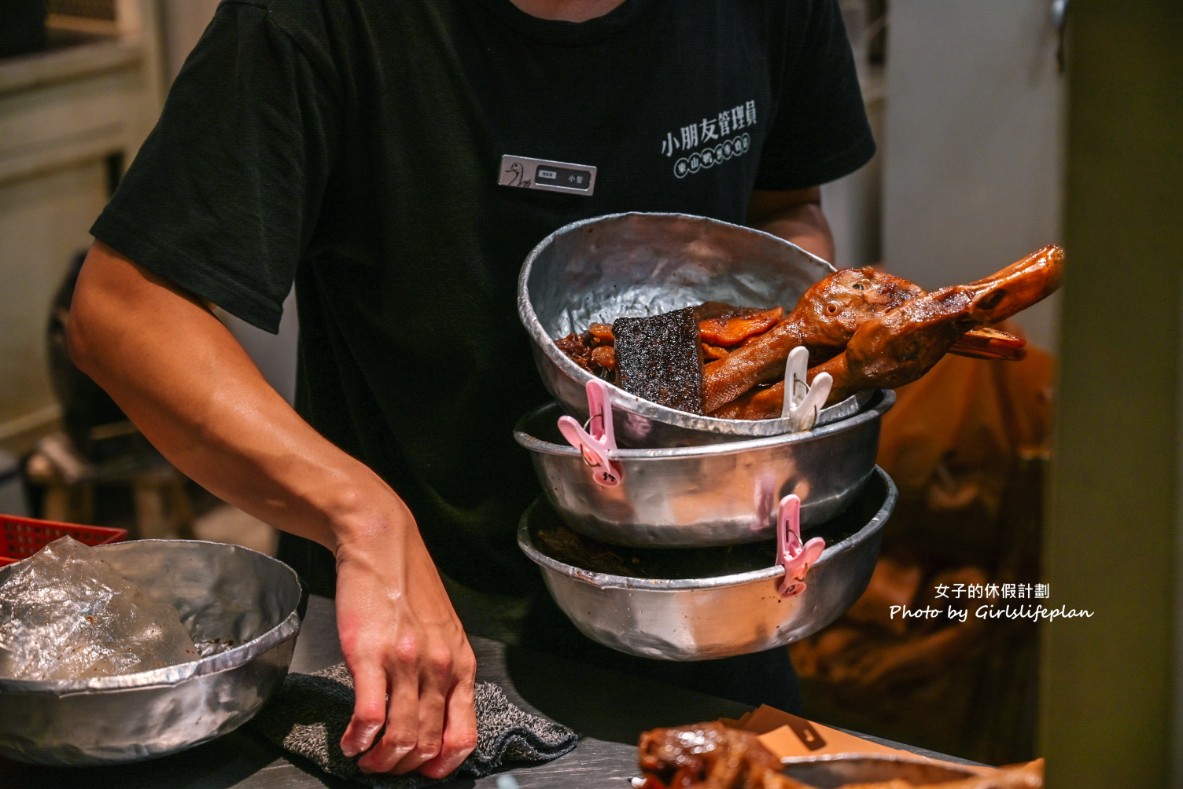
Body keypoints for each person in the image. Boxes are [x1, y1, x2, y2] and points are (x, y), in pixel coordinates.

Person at [67, 0, 875, 779]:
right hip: (430, 653)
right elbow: (126, 310)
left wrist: (746, 391)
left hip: (710, 628)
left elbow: (785, 207)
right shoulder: (313, 19)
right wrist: (361, 515)